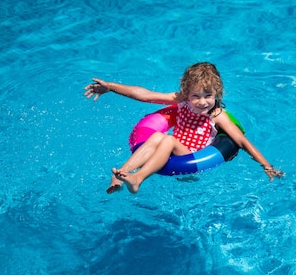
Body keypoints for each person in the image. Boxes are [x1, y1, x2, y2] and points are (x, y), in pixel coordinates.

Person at [84, 62, 284, 194]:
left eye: (208, 95)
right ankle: (121, 174)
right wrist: (110, 87)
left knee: (168, 139)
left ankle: (138, 178)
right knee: (156, 138)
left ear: (217, 93)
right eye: (196, 96)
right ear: (186, 94)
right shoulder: (180, 100)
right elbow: (144, 95)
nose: (202, 102)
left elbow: (241, 141)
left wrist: (266, 165)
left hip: (192, 160)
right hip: (172, 152)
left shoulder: (216, 114)